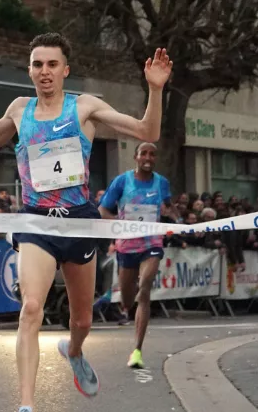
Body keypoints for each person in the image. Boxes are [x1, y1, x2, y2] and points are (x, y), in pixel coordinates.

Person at [0, 33, 172, 412]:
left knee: (82, 320)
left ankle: (74, 351)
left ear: (65, 70)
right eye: (38, 64)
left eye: (52, 64)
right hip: (36, 222)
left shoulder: (84, 107)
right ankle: (26, 405)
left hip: (78, 222)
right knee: (30, 308)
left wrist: (155, 89)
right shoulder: (20, 109)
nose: (45, 71)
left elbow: (147, 132)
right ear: (29, 70)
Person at [97, 142, 171, 369]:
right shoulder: (122, 181)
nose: (148, 157)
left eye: (152, 154)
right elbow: (102, 210)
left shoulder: (162, 183)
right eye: (144, 153)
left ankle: (137, 350)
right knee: (128, 300)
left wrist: (177, 221)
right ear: (136, 157)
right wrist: (119, 223)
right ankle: (129, 303)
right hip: (127, 246)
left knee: (145, 289)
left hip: (152, 243)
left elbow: (168, 207)